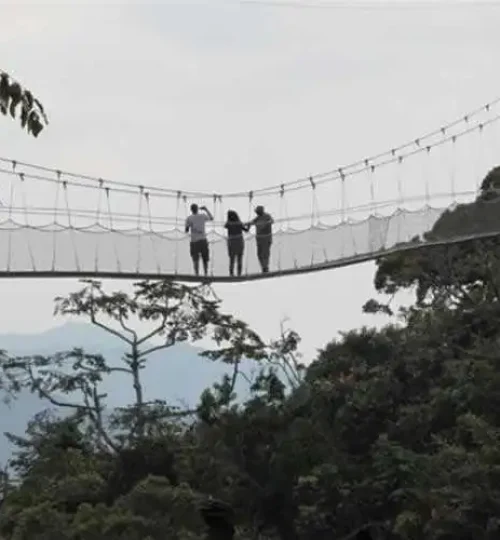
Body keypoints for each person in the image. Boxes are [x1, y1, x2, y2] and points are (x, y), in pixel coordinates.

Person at [185, 203, 213, 276]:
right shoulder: (202, 216)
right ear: (197, 209)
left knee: (195, 259)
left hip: (194, 241)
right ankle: (205, 274)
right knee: (205, 259)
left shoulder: (189, 218)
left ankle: (196, 274)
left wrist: (191, 227)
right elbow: (211, 218)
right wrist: (206, 209)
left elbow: (186, 230)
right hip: (203, 240)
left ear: (191, 210)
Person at [247, 205, 273, 273]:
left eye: (258, 211)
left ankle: (265, 268)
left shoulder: (267, 216)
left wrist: (266, 224)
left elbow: (272, 221)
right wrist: (247, 225)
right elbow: (251, 222)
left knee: (265, 253)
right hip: (259, 239)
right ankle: (263, 267)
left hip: (266, 238)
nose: (257, 213)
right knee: (259, 254)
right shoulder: (257, 218)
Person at [224, 210, 249, 277]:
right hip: (239, 241)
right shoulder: (239, 223)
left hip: (232, 241)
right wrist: (249, 225)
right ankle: (239, 274)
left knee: (232, 258)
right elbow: (246, 230)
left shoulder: (229, 223)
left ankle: (232, 274)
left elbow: (225, 226)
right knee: (239, 258)